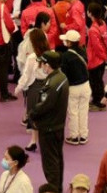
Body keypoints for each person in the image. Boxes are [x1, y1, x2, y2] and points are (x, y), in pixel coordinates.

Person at [29, 50, 69, 191]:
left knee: (50, 165)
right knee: (57, 161)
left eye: (42, 63)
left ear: (47, 65)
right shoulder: (62, 77)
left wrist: (31, 115)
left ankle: (53, 189)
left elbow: (44, 105)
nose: (41, 66)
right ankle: (58, 188)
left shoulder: (52, 83)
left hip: (49, 128)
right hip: (58, 126)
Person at [15, 28, 50, 152]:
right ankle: (43, 141)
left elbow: (26, 75)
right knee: (46, 114)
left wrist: (18, 88)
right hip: (49, 86)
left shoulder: (32, 57)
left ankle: (34, 140)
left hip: (35, 87)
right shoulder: (51, 54)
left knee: (34, 114)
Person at [60, 30, 91, 145]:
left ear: (69, 43)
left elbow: (64, 74)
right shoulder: (83, 51)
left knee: (73, 112)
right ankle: (83, 135)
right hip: (86, 85)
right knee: (83, 111)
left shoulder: (66, 56)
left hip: (73, 87)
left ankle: (74, 136)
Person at [87, 3, 107, 110]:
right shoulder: (103, 23)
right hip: (102, 59)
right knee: (99, 81)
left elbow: (96, 47)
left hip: (95, 60)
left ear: (90, 13)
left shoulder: (92, 30)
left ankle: (98, 102)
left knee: (95, 82)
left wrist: (103, 56)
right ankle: (98, 100)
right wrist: (105, 57)